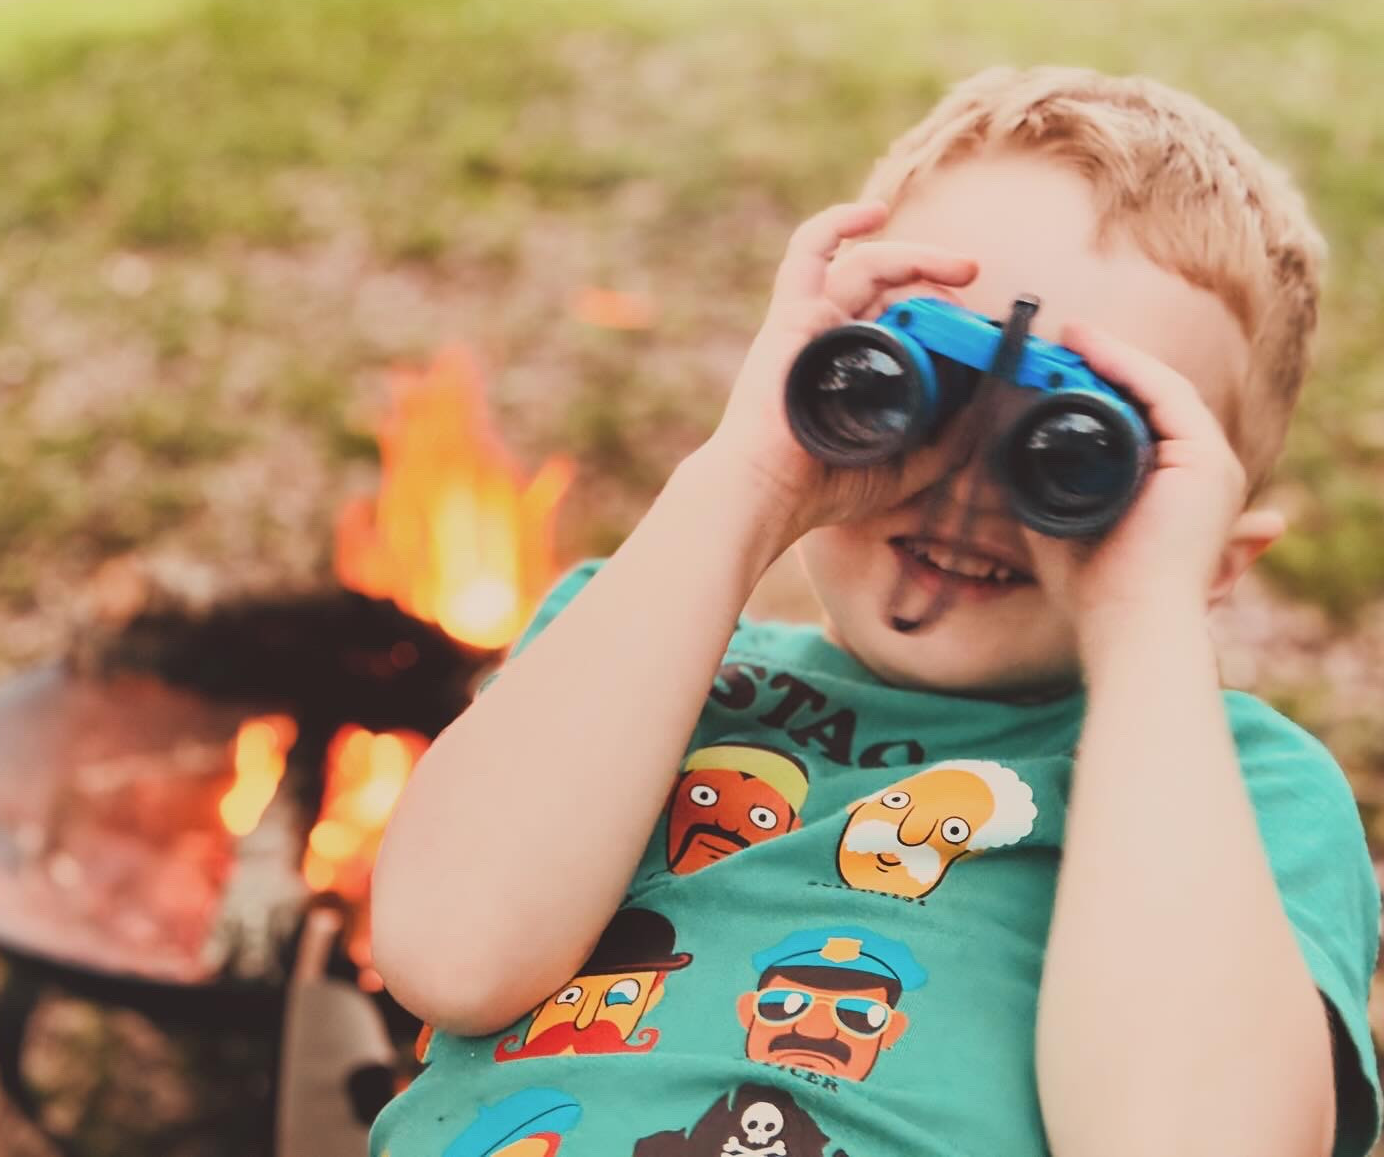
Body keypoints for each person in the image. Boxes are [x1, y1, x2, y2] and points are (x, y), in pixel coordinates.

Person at [369, 66, 1382, 1156]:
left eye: (1080, 449)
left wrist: (1144, 620)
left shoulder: (1239, 792)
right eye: (911, 385)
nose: (973, 489)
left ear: (1216, 561)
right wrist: (748, 477)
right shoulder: (644, 653)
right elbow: (452, 954)